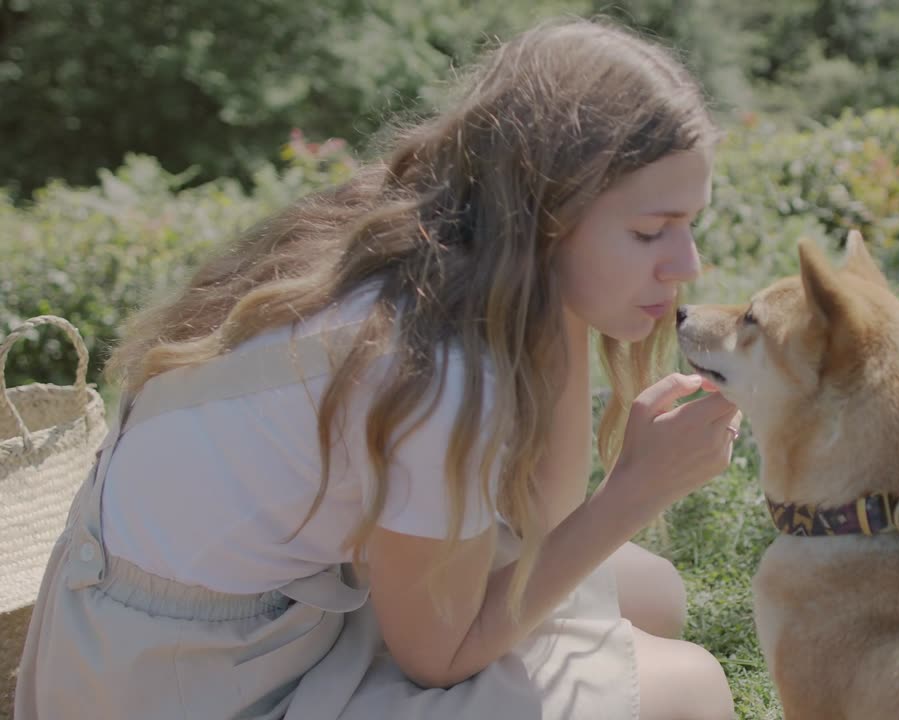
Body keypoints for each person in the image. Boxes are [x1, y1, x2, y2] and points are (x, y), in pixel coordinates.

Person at [15, 17, 741, 720]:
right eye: (651, 231)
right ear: (545, 214)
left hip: (176, 621)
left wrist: (568, 306)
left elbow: (541, 522)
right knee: (690, 693)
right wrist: (634, 493)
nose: (687, 266)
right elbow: (441, 655)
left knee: (653, 595)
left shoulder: (432, 236)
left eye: (688, 223)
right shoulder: (436, 360)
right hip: (184, 682)